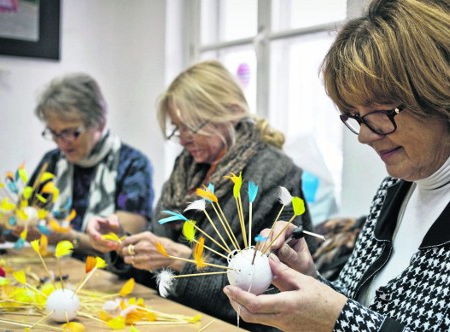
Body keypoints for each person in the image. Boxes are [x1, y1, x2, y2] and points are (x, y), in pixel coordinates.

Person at [223, 0, 450, 331]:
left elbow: (352, 321)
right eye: (356, 116)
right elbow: (362, 309)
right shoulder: (399, 187)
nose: (365, 136)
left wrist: (336, 320)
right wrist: (308, 278)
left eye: (380, 112)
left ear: (446, 92)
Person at [87, 60, 316, 330]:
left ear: (231, 112)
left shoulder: (275, 175)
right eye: (177, 128)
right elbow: (158, 271)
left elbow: (276, 296)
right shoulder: (187, 167)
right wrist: (123, 244)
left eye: (192, 127)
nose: (183, 139)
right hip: (173, 316)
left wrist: (180, 262)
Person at [0, 73, 154, 260]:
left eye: (71, 133)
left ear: (100, 123)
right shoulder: (53, 161)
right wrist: (0, 227)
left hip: (109, 280)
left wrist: (65, 237)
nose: (62, 143)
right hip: (56, 270)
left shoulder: (132, 165)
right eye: (54, 133)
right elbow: (27, 220)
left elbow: (122, 245)